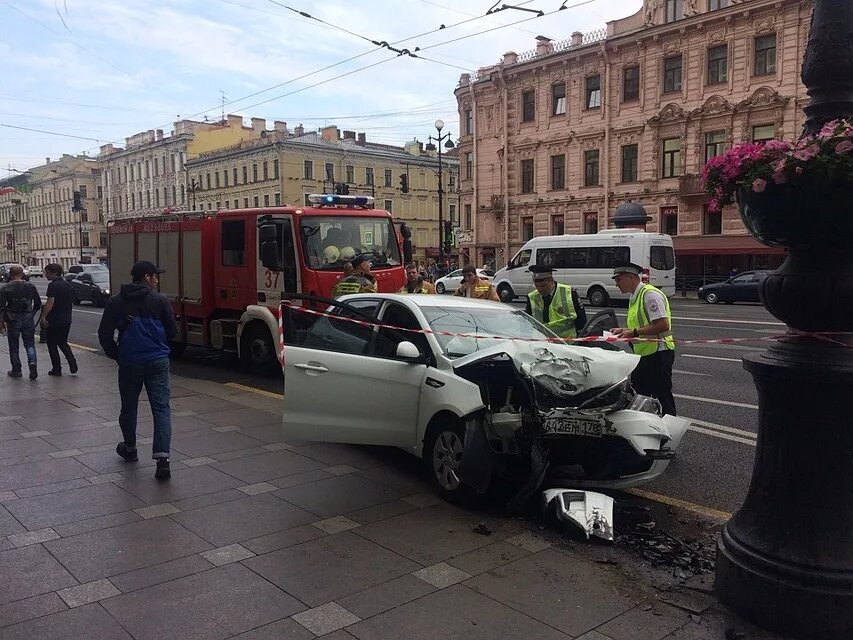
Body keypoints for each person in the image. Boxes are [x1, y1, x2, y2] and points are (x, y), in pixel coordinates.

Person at [98, 261, 177, 480]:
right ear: (146, 277)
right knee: (161, 408)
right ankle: (162, 460)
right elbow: (172, 331)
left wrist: (117, 354)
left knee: (129, 407)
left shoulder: (116, 301)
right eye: (155, 276)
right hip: (157, 361)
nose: (157, 280)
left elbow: (104, 333)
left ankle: (130, 448)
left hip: (129, 362)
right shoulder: (159, 300)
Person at [610, 262, 676, 416]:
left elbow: (663, 325)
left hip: (658, 353)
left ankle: (669, 429)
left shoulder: (649, 294)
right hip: (644, 354)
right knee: (640, 395)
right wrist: (624, 331)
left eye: (619, 279)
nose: (616, 284)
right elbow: (642, 325)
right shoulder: (635, 295)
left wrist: (633, 332)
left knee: (662, 395)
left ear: (631, 277)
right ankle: (647, 428)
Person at [0, 265, 41, 379]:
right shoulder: (30, 286)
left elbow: (2, 307)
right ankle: (32, 362)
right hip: (28, 317)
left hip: (12, 318)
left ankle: (16, 369)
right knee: (29, 343)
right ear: (22, 274)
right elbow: (37, 304)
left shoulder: (5, 288)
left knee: (13, 345)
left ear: (10, 275)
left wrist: (1, 321)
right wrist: (31, 314)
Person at [524, 265, 586, 340]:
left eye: (544, 285)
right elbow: (527, 322)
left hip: (567, 343)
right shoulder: (532, 297)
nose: (540, 289)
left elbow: (581, 319)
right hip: (542, 343)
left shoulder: (569, 293)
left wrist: (581, 338)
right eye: (537, 286)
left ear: (551, 281)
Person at [41, 263, 78, 376]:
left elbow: (50, 302)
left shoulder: (53, 285)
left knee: (52, 345)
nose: (45, 275)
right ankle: (72, 361)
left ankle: (56, 368)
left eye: (47, 272)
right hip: (66, 318)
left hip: (54, 319)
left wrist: (43, 316)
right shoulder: (67, 285)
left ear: (54, 273)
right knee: (63, 342)